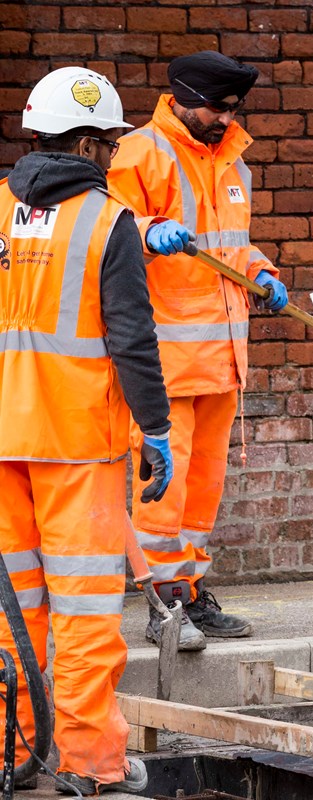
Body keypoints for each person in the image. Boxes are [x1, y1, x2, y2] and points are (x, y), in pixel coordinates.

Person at [1, 66, 177, 794]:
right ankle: (87, 767)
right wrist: (158, 428)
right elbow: (133, 340)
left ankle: (12, 754)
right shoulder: (109, 222)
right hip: (77, 446)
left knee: (12, 613)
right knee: (82, 616)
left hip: (1, 440)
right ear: (89, 144)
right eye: (108, 144)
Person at [107, 51, 288, 651]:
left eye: (235, 108)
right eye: (217, 107)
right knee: (165, 487)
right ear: (181, 97)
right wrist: (146, 232)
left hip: (222, 359)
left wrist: (261, 271)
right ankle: (164, 603)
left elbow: (231, 247)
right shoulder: (139, 153)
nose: (226, 118)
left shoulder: (233, 162)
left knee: (202, 488)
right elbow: (104, 228)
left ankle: (189, 589)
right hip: (164, 364)